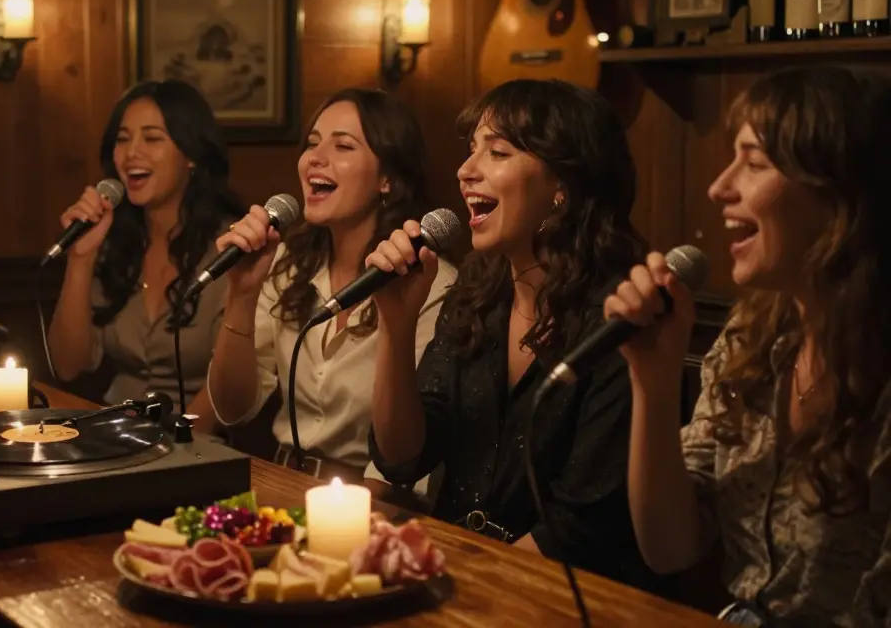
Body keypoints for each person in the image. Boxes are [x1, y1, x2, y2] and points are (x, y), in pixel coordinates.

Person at [607, 66, 891, 625]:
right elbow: (670, 548)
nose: (719, 187)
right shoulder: (752, 339)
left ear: (841, 195)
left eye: (754, 163)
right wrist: (654, 383)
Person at [366, 79, 660, 588]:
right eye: (470, 149)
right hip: (467, 571)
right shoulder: (477, 295)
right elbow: (402, 457)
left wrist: (456, 580)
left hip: (570, 597)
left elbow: (579, 528)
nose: (465, 170)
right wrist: (397, 324)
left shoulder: (622, 315)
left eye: (497, 152)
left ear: (563, 187)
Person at [205, 88, 458, 485]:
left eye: (343, 146)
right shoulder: (288, 263)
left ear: (387, 178)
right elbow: (232, 408)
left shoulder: (431, 282)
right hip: (282, 480)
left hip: (375, 497)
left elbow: (404, 453)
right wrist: (241, 294)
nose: (314, 159)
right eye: (311, 143)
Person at [48, 80, 244, 433]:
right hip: (112, 437)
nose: (131, 153)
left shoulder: (233, 247)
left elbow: (227, 390)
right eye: (123, 139)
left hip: (194, 447)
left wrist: (170, 444)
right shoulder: (116, 243)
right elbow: (68, 364)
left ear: (192, 155)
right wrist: (80, 259)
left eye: (152, 138)